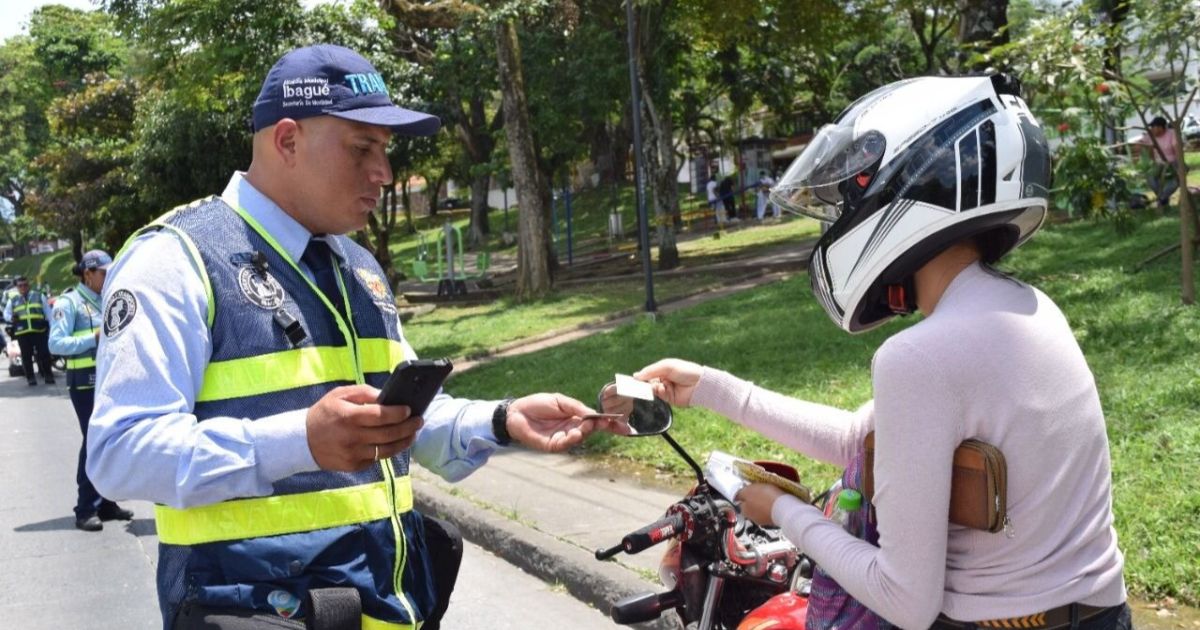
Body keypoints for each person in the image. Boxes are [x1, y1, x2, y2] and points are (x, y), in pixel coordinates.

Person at [87, 44, 621, 630]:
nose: (384, 174)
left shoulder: (358, 268)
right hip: (255, 614)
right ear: (286, 141)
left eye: (386, 151)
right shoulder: (175, 260)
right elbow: (119, 455)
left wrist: (500, 420)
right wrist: (301, 442)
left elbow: (399, 422)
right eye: (361, 148)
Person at [621, 76, 1129, 629]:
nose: (845, 215)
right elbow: (864, 444)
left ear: (906, 185)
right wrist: (711, 387)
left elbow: (905, 599)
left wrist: (784, 512)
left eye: (851, 196)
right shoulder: (1029, 307)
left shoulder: (919, 356)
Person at [47, 250, 134, 532]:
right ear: (88, 273)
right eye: (104, 273)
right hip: (84, 383)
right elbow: (56, 344)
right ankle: (84, 508)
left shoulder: (106, 299)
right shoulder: (69, 302)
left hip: (108, 381)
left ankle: (106, 502)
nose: (109, 277)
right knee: (93, 441)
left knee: (110, 439)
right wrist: (92, 337)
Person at [3, 275, 54, 385]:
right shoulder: (13, 300)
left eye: (25, 285)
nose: (23, 287)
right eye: (20, 286)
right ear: (17, 287)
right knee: (26, 357)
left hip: (39, 330)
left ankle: (48, 375)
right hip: (23, 332)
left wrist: (53, 327)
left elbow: (48, 313)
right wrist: (11, 318)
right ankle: (30, 378)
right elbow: (6, 313)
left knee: (44, 354)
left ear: (29, 285)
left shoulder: (39, 296)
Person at [1131, 115, 1182, 211]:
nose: (1152, 129)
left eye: (1154, 127)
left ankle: (1162, 198)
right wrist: (1136, 150)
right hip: (1158, 163)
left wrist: (1179, 166)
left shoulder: (1172, 134)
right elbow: (1139, 143)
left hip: (1172, 162)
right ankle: (1162, 198)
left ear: (1161, 127)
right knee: (1151, 178)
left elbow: (1178, 151)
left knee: (1175, 181)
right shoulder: (1150, 136)